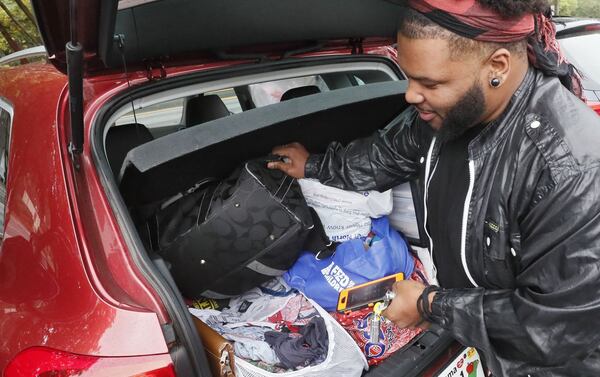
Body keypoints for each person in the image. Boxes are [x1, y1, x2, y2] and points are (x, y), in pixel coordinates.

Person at [267, 0, 600, 376]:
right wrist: (312, 165)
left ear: (497, 66)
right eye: (409, 77)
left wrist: (432, 306)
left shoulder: (571, 169)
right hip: (479, 340)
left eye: (430, 83)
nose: (411, 95)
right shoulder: (446, 114)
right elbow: (385, 155)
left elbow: (558, 327)